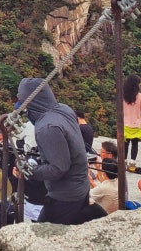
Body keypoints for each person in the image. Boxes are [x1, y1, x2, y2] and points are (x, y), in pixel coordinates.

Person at [17, 78, 92, 225]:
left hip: (66, 196)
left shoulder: (47, 127)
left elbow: (58, 168)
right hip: (79, 187)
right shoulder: (64, 109)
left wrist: (29, 171)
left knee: (45, 236)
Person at [122, 74, 141, 171]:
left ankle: (123, 162)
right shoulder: (140, 96)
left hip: (125, 124)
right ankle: (132, 163)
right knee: (135, 144)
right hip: (136, 124)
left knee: (125, 144)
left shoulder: (123, 96)